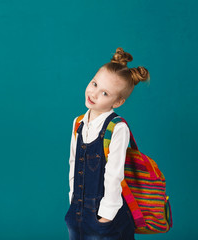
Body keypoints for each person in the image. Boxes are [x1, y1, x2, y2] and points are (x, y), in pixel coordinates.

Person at [64, 47, 150, 240]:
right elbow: (73, 164)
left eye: (104, 93)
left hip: (105, 215)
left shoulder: (117, 128)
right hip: (77, 211)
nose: (93, 94)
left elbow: (114, 174)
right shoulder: (78, 123)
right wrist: (73, 200)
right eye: (94, 84)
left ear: (118, 102)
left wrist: (106, 216)